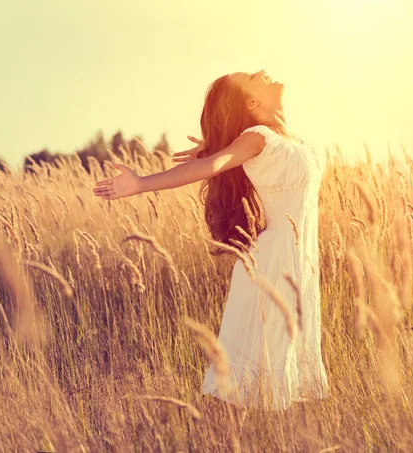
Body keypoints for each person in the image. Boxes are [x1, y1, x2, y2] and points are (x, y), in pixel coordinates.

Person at [92, 69, 330, 411]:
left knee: (274, 375)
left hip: (298, 263)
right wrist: (142, 183)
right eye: (254, 77)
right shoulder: (257, 137)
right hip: (272, 267)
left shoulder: (288, 140)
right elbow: (216, 165)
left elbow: (224, 156)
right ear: (251, 101)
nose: (264, 72)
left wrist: (217, 144)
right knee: (243, 384)